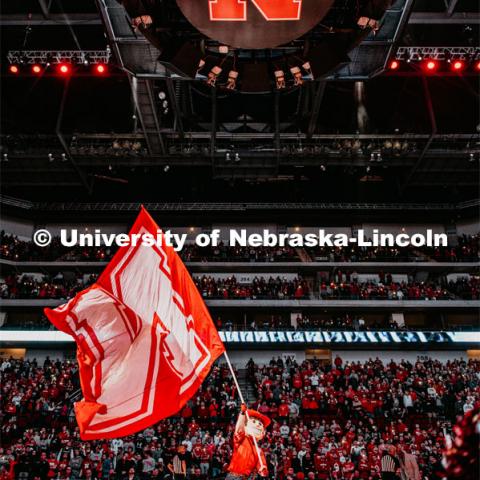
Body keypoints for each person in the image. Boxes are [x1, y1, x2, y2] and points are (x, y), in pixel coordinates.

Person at [226, 403, 270, 479]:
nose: (257, 425)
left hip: (246, 478)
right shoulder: (242, 438)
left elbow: (262, 466)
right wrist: (242, 414)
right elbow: (239, 431)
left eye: (260, 424)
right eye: (254, 422)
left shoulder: (259, 451)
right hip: (234, 476)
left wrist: (263, 470)